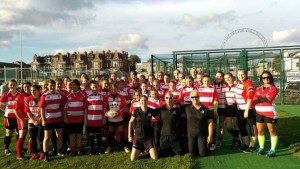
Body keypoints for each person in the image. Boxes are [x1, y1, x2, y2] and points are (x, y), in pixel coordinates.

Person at [39, 79, 66, 162]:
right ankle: (46, 154)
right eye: (51, 86)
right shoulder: (44, 95)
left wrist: (60, 92)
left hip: (58, 118)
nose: (52, 87)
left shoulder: (59, 95)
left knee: (59, 135)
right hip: (48, 119)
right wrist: (43, 120)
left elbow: (65, 100)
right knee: (47, 137)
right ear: (48, 86)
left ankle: (59, 151)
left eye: (54, 86)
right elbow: (42, 109)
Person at [253, 71, 278, 157]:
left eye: (268, 77)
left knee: (272, 131)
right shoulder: (258, 88)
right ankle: (261, 148)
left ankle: (272, 150)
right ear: (261, 79)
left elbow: (269, 100)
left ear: (270, 78)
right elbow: (254, 100)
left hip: (270, 113)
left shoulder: (274, 88)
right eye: (264, 78)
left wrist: (260, 98)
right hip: (259, 112)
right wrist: (263, 98)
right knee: (260, 131)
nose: (266, 79)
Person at [183, 90, 213, 156]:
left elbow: (210, 122)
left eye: (196, 97)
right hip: (191, 135)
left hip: (202, 134)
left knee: (203, 154)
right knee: (191, 153)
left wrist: (210, 135)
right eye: (192, 97)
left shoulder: (205, 109)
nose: (194, 99)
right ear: (190, 98)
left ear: (199, 97)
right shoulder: (186, 108)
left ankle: (207, 145)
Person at [128, 96, 158, 161]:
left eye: (145, 100)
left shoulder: (151, 110)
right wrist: (129, 135)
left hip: (148, 138)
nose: (143, 102)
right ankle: (142, 149)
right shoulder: (136, 111)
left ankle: (147, 148)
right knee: (132, 159)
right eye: (142, 100)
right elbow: (130, 122)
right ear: (139, 102)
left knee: (155, 158)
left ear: (147, 101)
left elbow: (160, 114)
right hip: (138, 138)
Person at [235, 69, 258, 152]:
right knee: (241, 127)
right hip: (240, 109)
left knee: (252, 127)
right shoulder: (238, 83)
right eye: (239, 74)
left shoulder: (248, 83)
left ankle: (252, 146)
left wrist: (247, 110)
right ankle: (247, 144)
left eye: (242, 74)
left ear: (246, 75)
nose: (241, 76)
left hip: (248, 109)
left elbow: (250, 98)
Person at [64, 79, 87, 156]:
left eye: (74, 85)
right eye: (71, 85)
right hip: (70, 118)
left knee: (79, 134)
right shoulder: (68, 95)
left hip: (80, 118)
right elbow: (65, 108)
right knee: (72, 134)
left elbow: (85, 108)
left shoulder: (83, 94)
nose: (72, 86)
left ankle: (79, 149)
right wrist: (65, 118)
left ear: (78, 86)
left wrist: (85, 118)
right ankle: (72, 149)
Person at [157, 92, 183, 156]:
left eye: (170, 98)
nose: (168, 99)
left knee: (180, 153)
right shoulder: (161, 109)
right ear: (164, 99)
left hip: (174, 135)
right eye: (167, 98)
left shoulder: (177, 109)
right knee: (161, 153)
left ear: (173, 99)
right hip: (164, 135)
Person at [85, 81, 107, 155]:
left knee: (98, 134)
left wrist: (104, 118)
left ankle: (99, 148)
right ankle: (92, 149)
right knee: (91, 135)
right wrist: (85, 120)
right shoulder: (88, 97)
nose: (95, 89)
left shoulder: (101, 97)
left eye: (96, 87)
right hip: (90, 119)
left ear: (98, 88)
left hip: (99, 119)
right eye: (93, 87)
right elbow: (85, 109)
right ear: (91, 88)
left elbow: (104, 109)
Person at [197, 75, 218, 150]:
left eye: (208, 81)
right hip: (202, 110)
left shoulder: (213, 89)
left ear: (210, 81)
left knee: (212, 127)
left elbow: (215, 100)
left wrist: (215, 111)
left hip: (210, 110)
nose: (206, 82)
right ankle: (204, 142)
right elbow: (197, 100)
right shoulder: (199, 88)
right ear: (202, 81)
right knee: (203, 126)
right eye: (205, 81)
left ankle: (212, 142)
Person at [0, 79, 20, 155]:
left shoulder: (19, 94)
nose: (12, 86)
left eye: (14, 84)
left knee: (19, 132)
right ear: (8, 86)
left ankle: (19, 147)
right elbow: (1, 106)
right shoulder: (5, 95)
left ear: (16, 85)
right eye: (11, 85)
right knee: (9, 132)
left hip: (18, 117)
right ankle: (6, 149)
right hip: (8, 117)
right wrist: (6, 111)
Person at [105, 83, 126, 153]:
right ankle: (111, 146)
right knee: (111, 132)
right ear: (110, 89)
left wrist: (118, 113)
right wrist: (108, 114)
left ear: (117, 89)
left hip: (119, 117)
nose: (113, 90)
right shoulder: (107, 97)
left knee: (120, 131)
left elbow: (124, 107)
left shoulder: (121, 97)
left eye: (115, 89)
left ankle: (122, 145)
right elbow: (106, 108)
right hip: (110, 118)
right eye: (112, 89)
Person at [26, 85, 44, 160]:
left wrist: (39, 120)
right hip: (32, 121)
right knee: (33, 138)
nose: (32, 92)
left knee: (41, 138)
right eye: (31, 90)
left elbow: (45, 110)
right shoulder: (28, 99)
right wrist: (33, 121)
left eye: (34, 90)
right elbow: (28, 111)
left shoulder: (43, 97)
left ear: (39, 90)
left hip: (41, 120)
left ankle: (43, 152)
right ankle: (34, 153)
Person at [14, 82, 32, 160]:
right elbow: (15, 110)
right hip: (22, 118)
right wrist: (21, 119)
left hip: (31, 118)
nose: (26, 88)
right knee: (22, 135)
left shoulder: (33, 95)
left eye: (28, 87)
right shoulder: (20, 96)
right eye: (24, 87)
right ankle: (19, 155)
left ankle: (30, 149)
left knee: (32, 133)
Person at [224, 72, 240, 149]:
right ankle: (236, 137)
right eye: (226, 78)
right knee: (228, 126)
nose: (227, 79)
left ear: (232, 77)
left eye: (229, 77)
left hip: (236, 107)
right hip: (228, 107)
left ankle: (235, 140)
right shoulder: (225, 86)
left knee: (236, 125)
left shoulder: (237, 85)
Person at [213, 71, 227, 147]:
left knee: (221, 125)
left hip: (222, 108)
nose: (218, 78)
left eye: (220, 76)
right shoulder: (212, 85)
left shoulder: (226, 85)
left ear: (223, 77)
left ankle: (219, 140)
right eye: (217, 76)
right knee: (213, 124)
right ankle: (213, 140)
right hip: (214, 108)